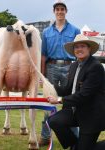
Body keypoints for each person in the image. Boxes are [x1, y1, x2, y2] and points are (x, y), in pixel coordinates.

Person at [47, 34, 105, 150]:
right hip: (75, 111)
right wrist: (49, 86)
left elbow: (84, 95)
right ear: (73, 51)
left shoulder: (96, 67)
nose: (79, 49)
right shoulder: (74, 66)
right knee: (54, 121)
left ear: (89, 49)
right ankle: (75, 145)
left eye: (82, 46)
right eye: (76, 47)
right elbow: (68, 89)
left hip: (92, 116)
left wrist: (59, 100)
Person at [40, 1, 80, 146]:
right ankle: (45, 136)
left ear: (66, 11)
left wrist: (78, 72)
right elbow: (43, 55)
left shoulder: (75, 30)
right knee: (48, 101)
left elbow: (79, 53)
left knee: (70, 101)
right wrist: (42, 75)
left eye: (62, 9)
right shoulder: (46, 32)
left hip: (70, 67)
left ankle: (75, 136)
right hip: (51, 67)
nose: (60, 11)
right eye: (57, 9)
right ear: (54, 11)